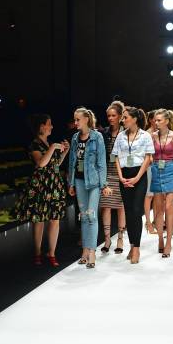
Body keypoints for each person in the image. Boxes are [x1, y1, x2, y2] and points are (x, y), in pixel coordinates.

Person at [14, 114, 69, 267]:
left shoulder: (48, 143)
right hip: (40, 185)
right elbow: (41, 163)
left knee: (54, 219)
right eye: (49, 124)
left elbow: (55, 164)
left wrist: (64, 152)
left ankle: (51, 252)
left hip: (54, 184)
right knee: (39, 220)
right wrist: (53, 148)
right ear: (41, 126)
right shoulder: (34, 145)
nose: (51, 127)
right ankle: (37, 252)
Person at [68, 108, 111, 269]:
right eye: (75, 119)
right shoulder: (74, 138)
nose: (76, 122)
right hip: (79, 182)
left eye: (78, 119)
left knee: (91, 216)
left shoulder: (97, 137)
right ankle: (85, 251)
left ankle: (92, 251)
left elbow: (101, 163)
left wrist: (104, 184)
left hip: (93, 183)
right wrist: (71, 183)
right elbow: (72, 162)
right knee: (84, 217)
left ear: (86, 119)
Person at [112, 106, 155, 264]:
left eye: (125, 117)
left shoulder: (145, 136)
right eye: (122, 118)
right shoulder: (120, 136)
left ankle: (136, 248)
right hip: (124, 176)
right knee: (129, 212)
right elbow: (115, 156)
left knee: (137, 211)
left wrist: (137, 177)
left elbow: (148, 158)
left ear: (134, 119)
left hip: (139, 175)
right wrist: (121, 176)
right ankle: (132, 245)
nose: (122, 120)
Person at [150, 109, 173, 258]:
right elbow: (150, 155)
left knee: (169, 206)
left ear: (167, 121)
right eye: (155, 120)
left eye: (159, 120)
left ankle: (169, 242)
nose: (156, 123)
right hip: (156, 169)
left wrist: (169, 167)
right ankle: (160, 239)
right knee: (158, 208)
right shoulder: (152, 136)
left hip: (170, 169)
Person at [99, 101, 126, 254]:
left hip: (122, 173)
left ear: (120, 116)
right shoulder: (104, 133)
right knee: (106, 207)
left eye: (113, 115)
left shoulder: (126, 133)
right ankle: (107, 239)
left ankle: (120, 238)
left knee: (121, 207)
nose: (110, 118)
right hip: (107, 174)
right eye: (108, 115)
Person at [143, 110, 158, 234]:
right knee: (149, 196)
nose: (157, 121)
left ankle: (155, 221)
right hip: (149, 167)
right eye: (155, 119)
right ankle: (148, 223)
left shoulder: (159, 133)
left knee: (157, 196)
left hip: (159, 167)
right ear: (150, 120)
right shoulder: (147, 134)